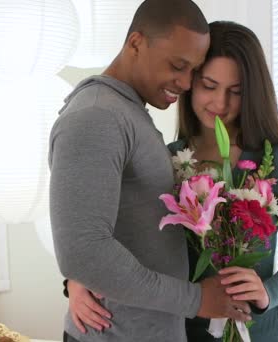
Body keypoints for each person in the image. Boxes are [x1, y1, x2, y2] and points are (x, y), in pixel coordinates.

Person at [65, 21, 278, 342]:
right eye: (209, 86)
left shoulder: (277, 160)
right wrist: (77, 279)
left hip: (256, 333)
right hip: (182, 330)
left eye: (236, 91)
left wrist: (268, 292)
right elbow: (109, 232)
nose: (220, 104)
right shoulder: (170, 158)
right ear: (190, 83)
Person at [48, 1, 253, 341]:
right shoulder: (97, 117)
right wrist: (197, 299)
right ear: (136, 44)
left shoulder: (124, 111)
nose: (187, 83)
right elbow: (82, 252)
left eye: (194, 70)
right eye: (178, 65)